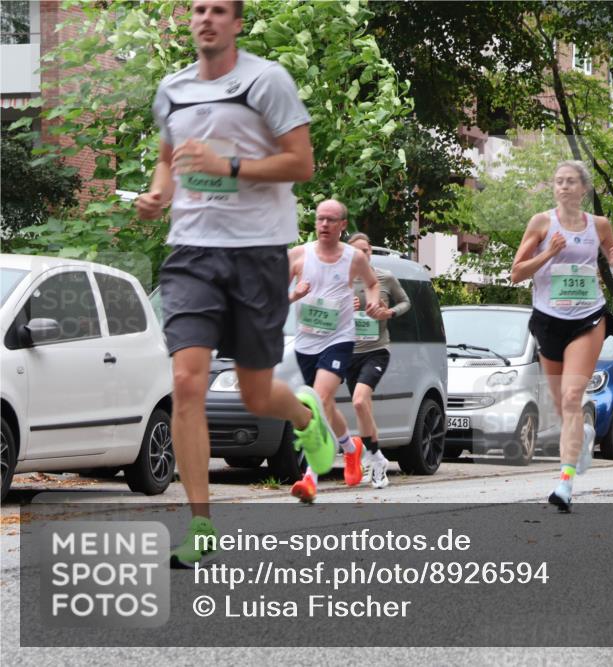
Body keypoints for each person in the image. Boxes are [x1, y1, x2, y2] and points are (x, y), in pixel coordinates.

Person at [136, 0, 325, 567]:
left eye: (219, 9)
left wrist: (231, 167)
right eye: (198, 9)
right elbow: (170, 159)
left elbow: (302, 163)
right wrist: (158, 194)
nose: (206, 18)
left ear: (237, 23)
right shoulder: (172, 89)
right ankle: (200, 524)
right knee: (187, 382)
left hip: (258, 253)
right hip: (192, 252)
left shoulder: (267, 80)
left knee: (254, 394)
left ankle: (303, 416)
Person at [511, 161, 613, 512]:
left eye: (571, 182)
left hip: (587, 317)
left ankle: (565, 483)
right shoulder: (541, 222)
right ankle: (584, 434)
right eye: (559, 182)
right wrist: (549, 252)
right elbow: (516, 273)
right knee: (563, 405)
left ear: (584, 190)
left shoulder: (600, 225)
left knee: (572, 394)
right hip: (549, 320)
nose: (563, 187)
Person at [287, 201, 387, 503]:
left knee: (316, 401)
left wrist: (372, 302)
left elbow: (372, 284)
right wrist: (297, 295)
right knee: (326, 405)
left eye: (331, 220)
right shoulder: (298, 255)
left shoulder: (353, 257)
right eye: (320, 219)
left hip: (339, 339)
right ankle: (351, 448)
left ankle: (310, 478)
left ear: (343, 224)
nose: (324, 225)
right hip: (305, 343)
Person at [345, 232, 411, 489]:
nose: (363, 255)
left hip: (376, 349)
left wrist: (389, 312)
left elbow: (406, 302)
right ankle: (377, 461)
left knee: (360, 400)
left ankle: (374, 459)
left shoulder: (384, 277)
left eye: (366, 250)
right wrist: (342, 306)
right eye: (357, 251)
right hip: (349, 352)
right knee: (363, 408)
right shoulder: (342, 280)